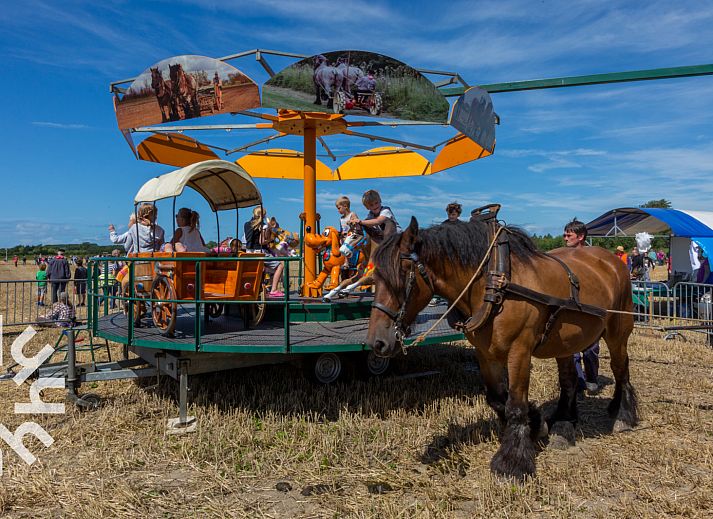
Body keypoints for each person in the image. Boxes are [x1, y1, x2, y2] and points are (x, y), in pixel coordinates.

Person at [563, 219, 600, 394]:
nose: (565, 238)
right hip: (569, 309)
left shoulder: (592, 258)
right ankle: (578, 381)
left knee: (591, 349)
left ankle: (592, 377)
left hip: (590, 309)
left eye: (568, 235)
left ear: (580, 236)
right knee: (572, 351)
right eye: (564, 235)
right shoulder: (562, 258)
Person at [243, 207, 285, 298]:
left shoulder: (246, 224)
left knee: (262, 269)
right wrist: (270, 239)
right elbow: (261, 242)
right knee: (280, 266)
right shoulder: (263, 226)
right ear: (264, 215)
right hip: (259, 252)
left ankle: (260, 287)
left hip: (249, 252)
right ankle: (274, 290)